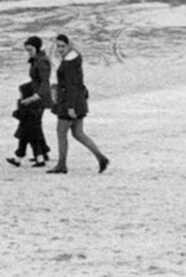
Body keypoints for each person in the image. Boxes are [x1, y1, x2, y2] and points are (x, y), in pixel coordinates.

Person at [47, 34, 110, 174]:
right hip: (78, 100)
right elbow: (77, 83)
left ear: (69, 45)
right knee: (78, 133)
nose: (60, 49)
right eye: (58, 46)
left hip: (69, 102)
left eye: (63, 46)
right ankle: (101, 158)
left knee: (61, 132)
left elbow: (70, 85)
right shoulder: (75, 57)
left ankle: (62, 165)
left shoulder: (69, 62)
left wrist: (70, 107)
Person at [6, 37, 53, 167]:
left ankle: (28, 157)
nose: (28, 52)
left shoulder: (41, 61)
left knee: (30, 126)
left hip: (38, 99)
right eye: (27, 50)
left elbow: (44, 81)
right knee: (33, 126)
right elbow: (38, 81)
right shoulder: (38, 59)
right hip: (36, 97)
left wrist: (35, 96)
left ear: (37, 48)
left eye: (30, 49)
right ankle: (41, 154)